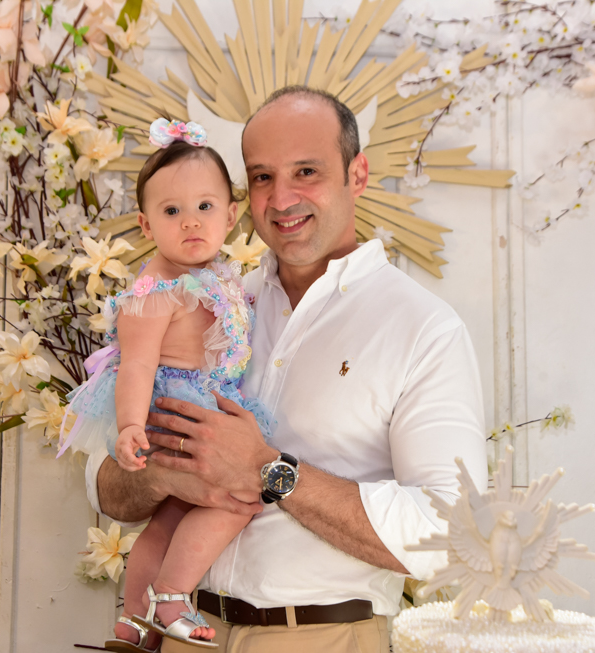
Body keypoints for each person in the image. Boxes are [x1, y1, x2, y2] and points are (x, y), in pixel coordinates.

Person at [84, 86, 488, 653]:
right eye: (263, 177)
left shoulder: (422, 327)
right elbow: (104, 488)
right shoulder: (217, 304)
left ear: (357, 174)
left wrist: (270, 471)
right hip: (188, 633)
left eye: (306, 171)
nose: (281, 198)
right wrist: (163, 473)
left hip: (321, 638)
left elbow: (451, 534)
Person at [60, 118, 274, 651]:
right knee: (239, 496)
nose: (191, 221)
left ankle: (134, 620)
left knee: (170, 517)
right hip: (180, 411)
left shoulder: (218, 274)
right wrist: (132, 425)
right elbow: (135, 365)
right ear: (146, 224)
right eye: (172, 211)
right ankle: (172, 596)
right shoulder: (155, 290)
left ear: (231, 215)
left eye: (205, 206)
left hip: (205, 404)